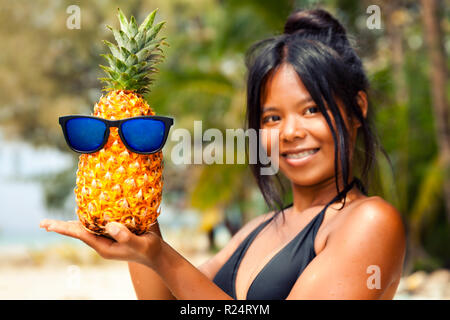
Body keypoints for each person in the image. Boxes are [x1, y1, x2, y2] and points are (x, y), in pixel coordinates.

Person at [40, 8, 406, 300]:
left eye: (311, 110)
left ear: (357, 110)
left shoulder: (371, 222)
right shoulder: (258, 228)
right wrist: (137, 212)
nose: (291, 132)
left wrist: (159, 256)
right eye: (272, 117)